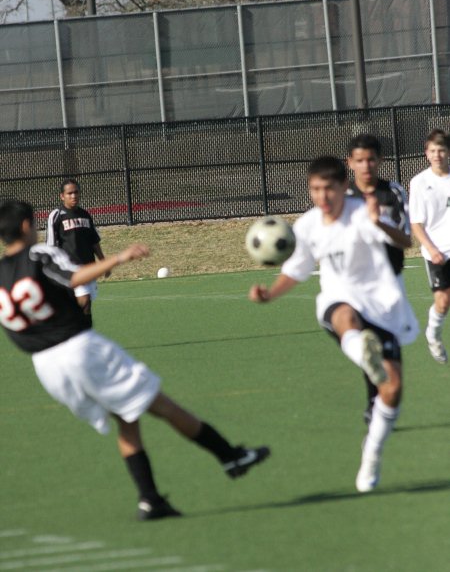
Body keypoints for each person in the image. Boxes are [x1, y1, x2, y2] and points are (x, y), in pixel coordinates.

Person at [0, 199, 270, 521]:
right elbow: (75, 276)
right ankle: (230, 456)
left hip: (46, 368)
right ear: (28, 226)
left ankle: (151, 499)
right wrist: (120, 257)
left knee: (127, 417)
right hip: (78, 349)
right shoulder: (38, 254)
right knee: (161, 403)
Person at [249, 156, 418, 492]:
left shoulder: (362, 213)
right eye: (315, 189)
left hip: (382, 304)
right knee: (344, 316)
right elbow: (295, 270)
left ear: (344, 187)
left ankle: (371, 454)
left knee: (393, 390)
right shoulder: (308, 226)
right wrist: (270, 294)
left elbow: (405, 242)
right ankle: (363, 354)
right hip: (338, 299)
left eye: (328, 189)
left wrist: (379, 222)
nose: (322, 196)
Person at [346, 134, 412, 424]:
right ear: (350, 163)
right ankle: (373, 400)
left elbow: (406, 240)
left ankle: (383, 395)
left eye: (371, 159)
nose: (366, 165)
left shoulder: (393, 193)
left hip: (389, 284)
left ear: (380, 160)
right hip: (358, 285)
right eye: (359, 160)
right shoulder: (343, 197)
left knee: (389, 348)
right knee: (367, 343)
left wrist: (378, 223)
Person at [409, 128, 450, 364]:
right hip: (436, 252)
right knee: (442, 302)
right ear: (426, 153)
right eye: (433, 151)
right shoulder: (419, 182)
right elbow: (416, 223)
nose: (437, 155)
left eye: (441, 150)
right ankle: (433, 336)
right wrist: (432, 249)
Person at [46, 179, 108, 324]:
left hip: (88, 268)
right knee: (83, 301)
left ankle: (84, 336)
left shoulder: (85, 215)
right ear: (62, 196)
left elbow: (94, 241)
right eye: (69, 193)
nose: (73, 196)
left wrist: (103, 262)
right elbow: (51, 245)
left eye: (76, 192)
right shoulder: (57, 215)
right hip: (69, 269)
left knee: (86, 308)